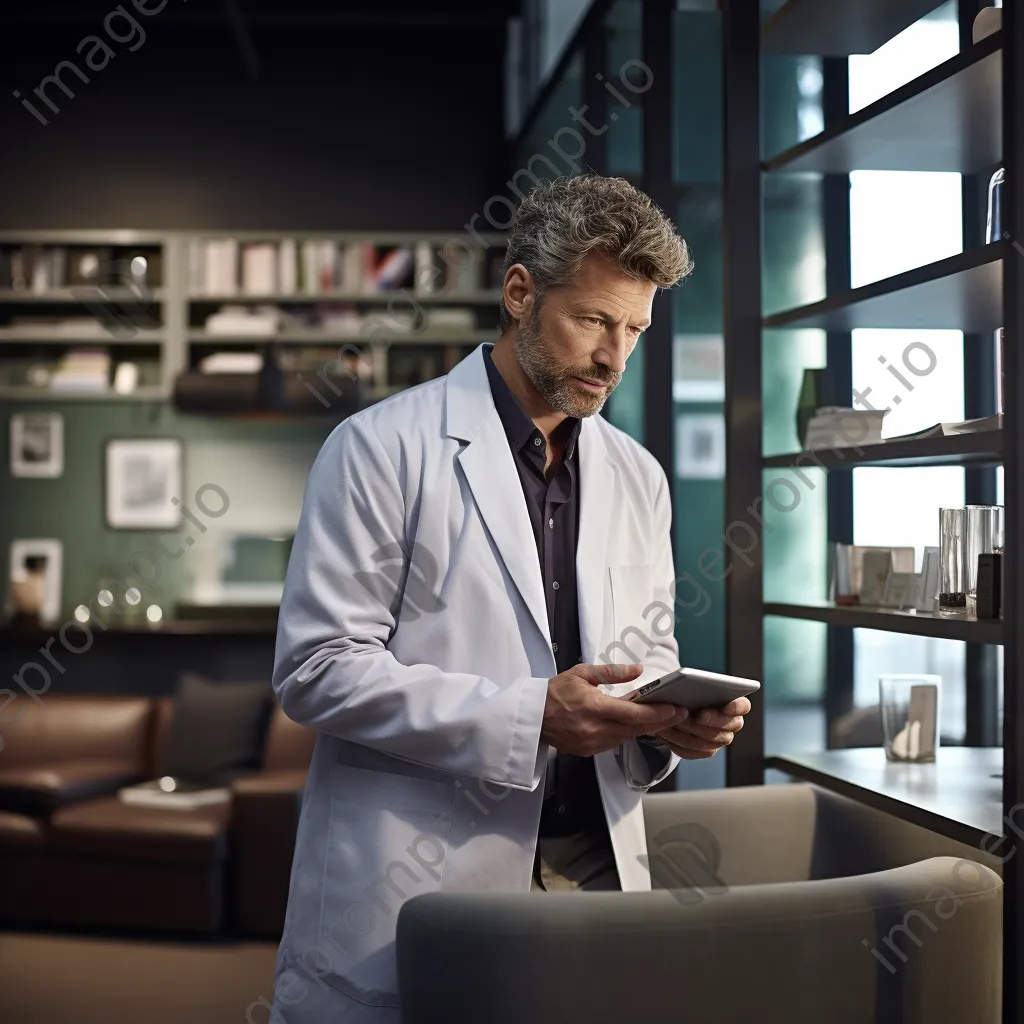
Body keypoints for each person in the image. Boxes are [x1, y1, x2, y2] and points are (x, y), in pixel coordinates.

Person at [269, 175, 751, 1022]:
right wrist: (533, 718)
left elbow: (648, 657)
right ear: (520, 292)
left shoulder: (638, 476)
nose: (616, 357)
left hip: (593, 864)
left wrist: (672, 722)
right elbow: (316, 668)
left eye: (634, 328)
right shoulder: (380, 448)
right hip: (424, 868)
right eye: (595, 321)